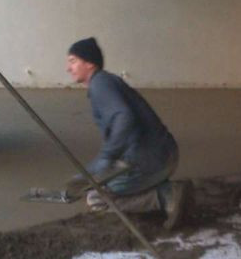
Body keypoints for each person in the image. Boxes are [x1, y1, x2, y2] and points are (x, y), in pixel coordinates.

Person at [65, 37, 187, 229]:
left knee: (97, 198)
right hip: (162, 153)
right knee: (100, 182)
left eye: (73, 61)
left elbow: (124, 117)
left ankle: (166, 196)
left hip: (154, 160)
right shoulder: (106, 81)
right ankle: (161, 191)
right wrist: (98, 169)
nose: (68, 68)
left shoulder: (100, 84)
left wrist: (107, 157)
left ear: (89, 63)